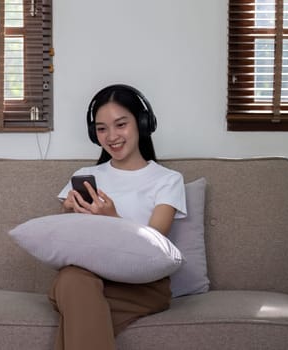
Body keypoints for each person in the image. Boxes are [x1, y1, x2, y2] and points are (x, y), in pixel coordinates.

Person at [48, 84, 187, 350]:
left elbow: (156, 245)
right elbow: (62, 244)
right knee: (73, 279)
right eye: (101, 128)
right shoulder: (86, 175)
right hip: (85, 277)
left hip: (142, 286)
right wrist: (67, 213)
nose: (111, 136)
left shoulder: (168, 180)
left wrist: (114, 220)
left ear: (142, 124)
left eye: (120, 124)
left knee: (73, 297)